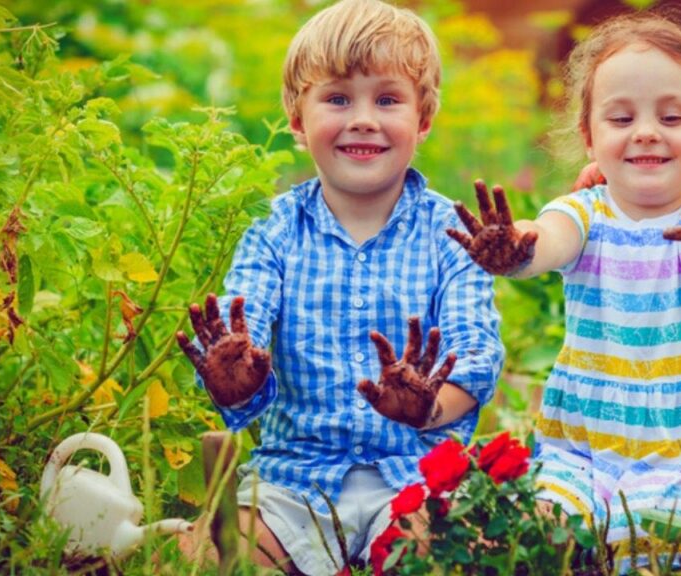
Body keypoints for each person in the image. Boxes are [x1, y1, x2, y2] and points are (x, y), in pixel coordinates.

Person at [174, 0, 504, 573]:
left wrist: (425, 409)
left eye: (387, 99)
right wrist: (235, 378)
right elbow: (240, 327)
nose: (363, 119)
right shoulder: (274, 233)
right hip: (292, 479)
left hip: (415, 472)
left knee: (445, 551)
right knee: (213, 552)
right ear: (298, 120)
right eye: (336, 99)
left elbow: (476, 356)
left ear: (423, 119)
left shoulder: (450, 235)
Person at [447, 9, 681, 545]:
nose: (646, 133)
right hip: (579, 454)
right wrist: (515, 250)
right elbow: (549, 239)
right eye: (621, 120)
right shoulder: (585, 212)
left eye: (672, 119)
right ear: (589, 136)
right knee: (539, 529)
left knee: (653, 541)